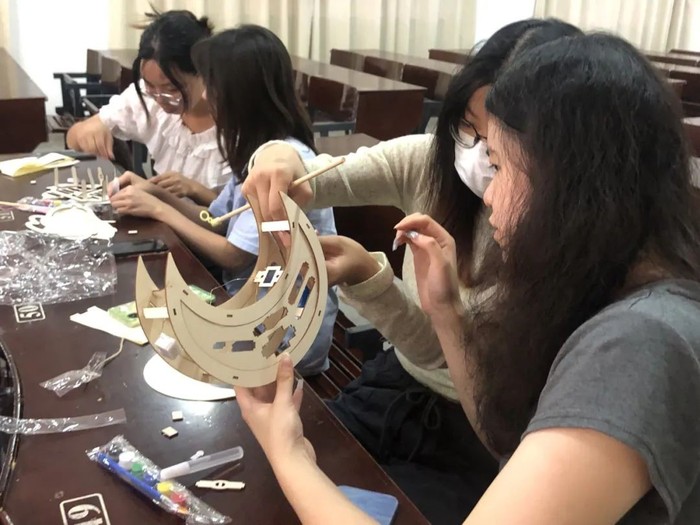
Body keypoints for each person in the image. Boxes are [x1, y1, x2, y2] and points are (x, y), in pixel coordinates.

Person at [239, 32, 700, 524]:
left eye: (499, 166)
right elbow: (502, 437)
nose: (489, 195)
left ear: (568, 180)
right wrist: (444, 310)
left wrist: (289, 453)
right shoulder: (604, 288)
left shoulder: (639, 345)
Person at [110, 25, 338, 376]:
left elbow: (233, 254)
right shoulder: (255, 146)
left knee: (154, 350)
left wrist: (160, 210)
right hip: (249, 307)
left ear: (239, 94)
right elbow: (215, 221)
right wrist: (156, 193)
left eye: (211, 86)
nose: (204, 95)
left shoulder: (281, 162)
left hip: (285, 337)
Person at [67, 10, 226, 205]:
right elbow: (73, 136)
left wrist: (196, 190)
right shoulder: (147, 99)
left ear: (204, 72)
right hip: (162, 218)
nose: (160, 98)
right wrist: (89, 129)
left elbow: (246, 212)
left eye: (172, 88)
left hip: (215, 224)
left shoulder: (237, 116)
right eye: (150, 86)